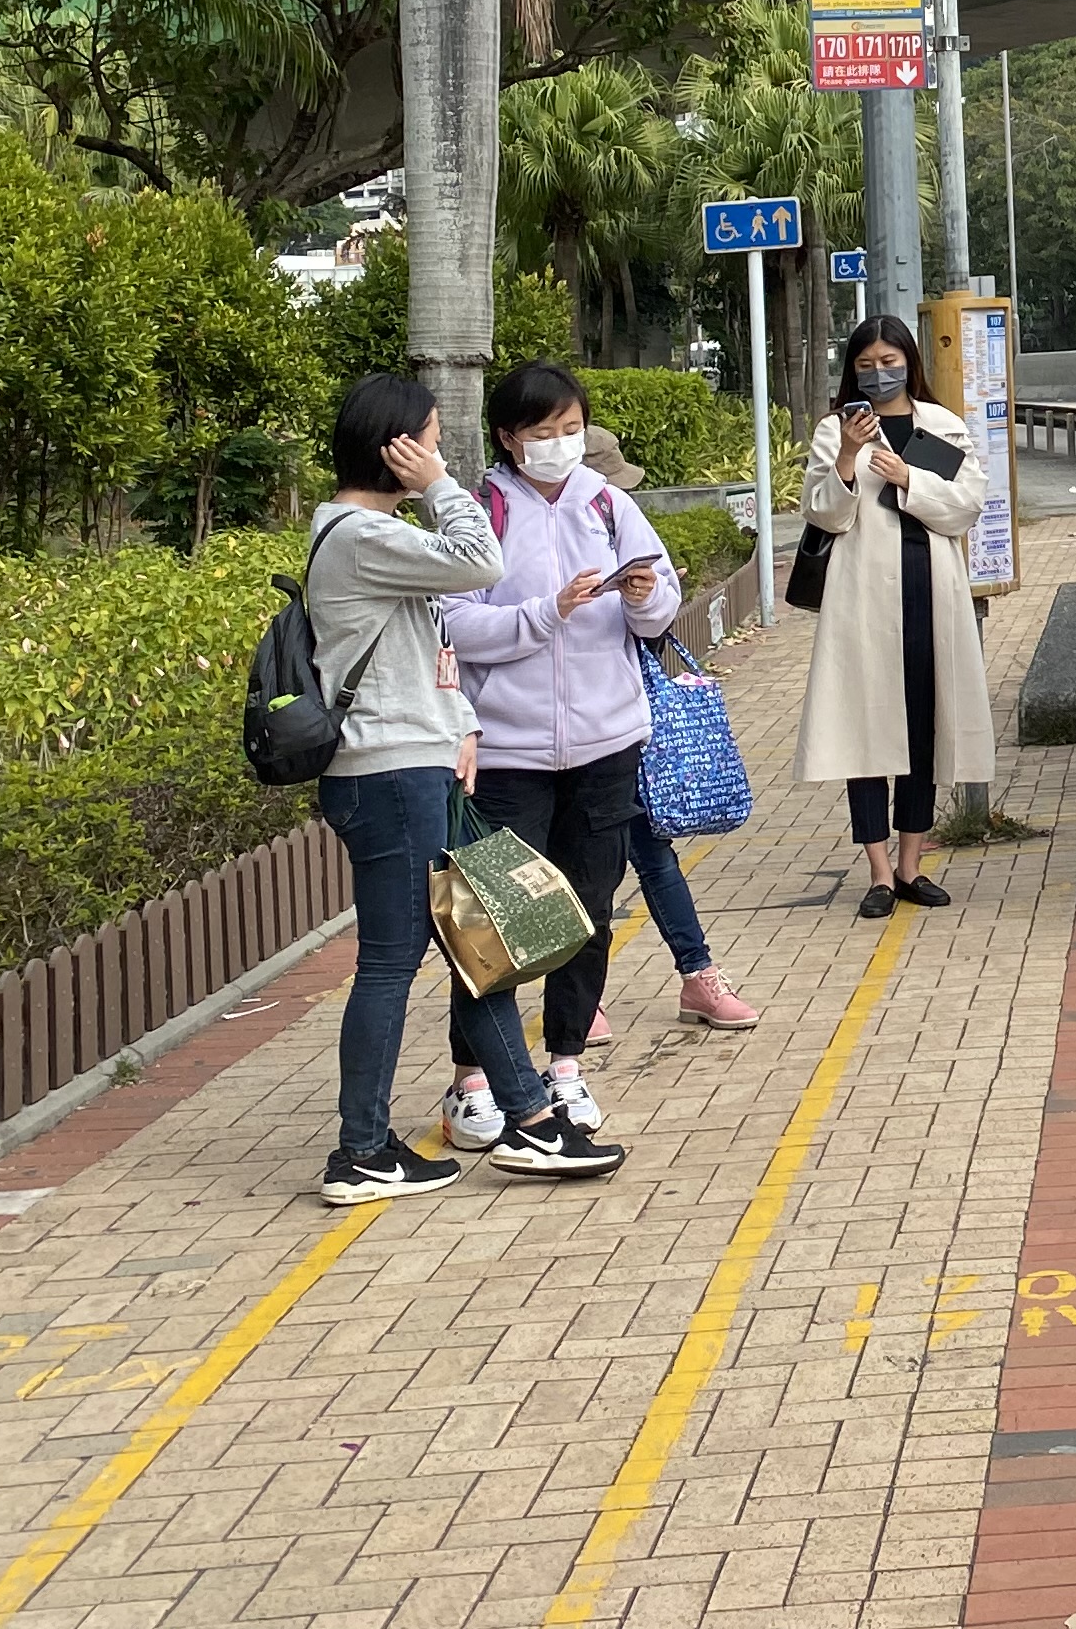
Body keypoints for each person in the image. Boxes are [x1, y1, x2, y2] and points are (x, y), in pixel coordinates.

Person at [303, 373, 623, 1200]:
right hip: (389, 775)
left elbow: (420, 648)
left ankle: (523, 1119)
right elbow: (481, 558)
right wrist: (441, 488)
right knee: (392, 961)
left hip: (410, 765)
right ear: (396, 449)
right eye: (432, 440)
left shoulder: (365, 535)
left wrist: (461, 727)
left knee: (462, 940)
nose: (441, 454)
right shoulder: (359, 534)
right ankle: (365, 1150)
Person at [433, 363, 685, 1144]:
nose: (559, 445)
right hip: (508, 751)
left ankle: (565, 1065)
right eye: (542, 433)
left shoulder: (610, 502)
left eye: (570, 429)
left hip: (606, 743)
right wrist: (547, 613)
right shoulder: (478, 513)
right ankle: (470, 1079)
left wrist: (646, 599)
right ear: (510, 438)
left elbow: (660, 602)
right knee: (497, 922)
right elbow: (453, 623)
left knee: (586, 912)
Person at [797, 315, 993, 917]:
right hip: (863, 603)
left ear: (909, 361)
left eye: (890, 361)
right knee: (867, 734)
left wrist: (911, 478)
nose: (880, 373)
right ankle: (878, 872)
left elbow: (967, 507)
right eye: (866, 364)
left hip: (929, 595)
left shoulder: (943, 427)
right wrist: (850, 458)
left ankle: (911, 866)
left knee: (921, 731)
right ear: (851, 369)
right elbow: (824, 515)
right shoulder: (836, 431)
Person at [572, 419, 761, 1036]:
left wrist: (641, 591)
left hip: (630, 723)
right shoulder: (542, 536)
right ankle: (589, 994)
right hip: (569, 733)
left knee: (650, 853)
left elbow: (658, 619)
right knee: (587, 866)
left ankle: (693, 977)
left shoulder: (623, 529)